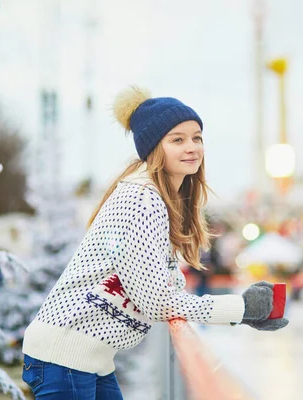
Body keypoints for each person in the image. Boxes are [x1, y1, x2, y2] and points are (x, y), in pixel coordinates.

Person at [21, 86, 288, 399]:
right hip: (64, 357)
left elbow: (162, 285)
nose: (192, 147)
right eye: (177, 139)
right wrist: (241, 308)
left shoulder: (161, 200)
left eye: (197, 137)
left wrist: (245, 312)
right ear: (154, 148)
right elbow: (156, 300)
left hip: (90, 359)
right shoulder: (141, 198)